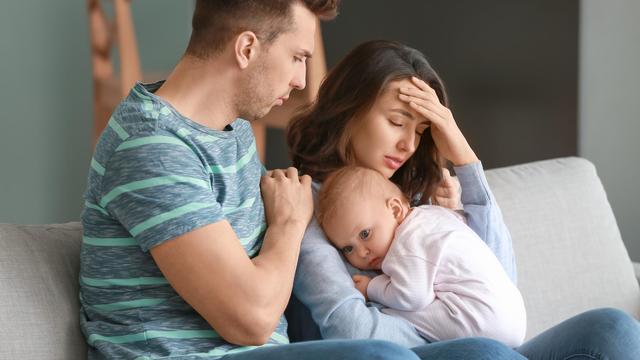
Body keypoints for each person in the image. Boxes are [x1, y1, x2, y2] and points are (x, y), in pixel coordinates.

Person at [79, 1, 434, 359]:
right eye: (297, 57)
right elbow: (253, 320)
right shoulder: (152, 147)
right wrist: (288, 224)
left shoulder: (233, 132)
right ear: (246, 48)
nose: (301, 81)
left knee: (483, 352)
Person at [286, 39, 640, 359]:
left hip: (491, 349)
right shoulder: (307, 206)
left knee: (613, 329)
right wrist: (461, 335)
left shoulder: (415, 204)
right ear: (348, 109)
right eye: (397, 121)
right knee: (485, 352)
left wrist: (466, 162)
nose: (409, 145)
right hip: (429, 352)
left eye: (421, 131)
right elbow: (353, 330)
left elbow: (500, 285)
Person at [316, 166, 527, 347]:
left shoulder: (406, 240)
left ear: (396, 210)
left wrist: (371, 288)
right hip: (513, 315)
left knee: (392, 311)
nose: (362, 252)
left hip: (485, 322)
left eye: (365, 234)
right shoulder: (432, 216)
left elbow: (412, 296)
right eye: (348, 249)